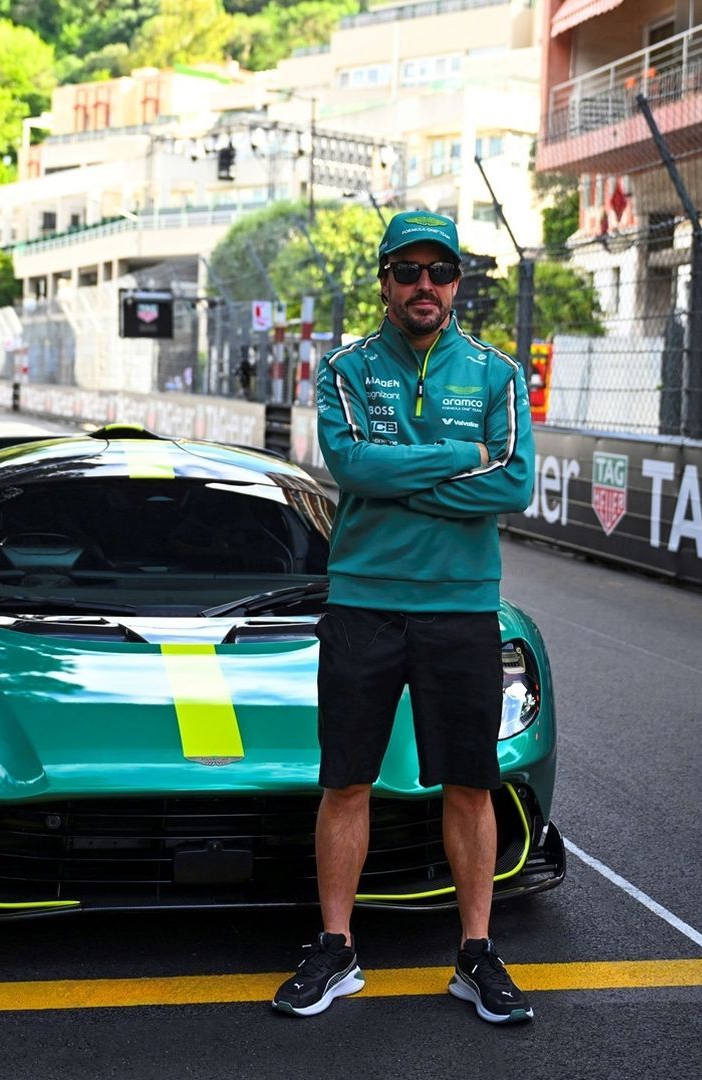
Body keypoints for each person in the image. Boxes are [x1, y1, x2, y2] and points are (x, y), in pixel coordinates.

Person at [273, 211, 536, 1024]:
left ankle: (476, 953)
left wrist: (397, 481)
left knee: (470, 784)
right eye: (409, 271)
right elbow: (347, 463)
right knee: (346, 780)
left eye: (441, 272)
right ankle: (337, 948)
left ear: (458, 282)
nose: (426, 286)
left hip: (460, 609)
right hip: (363, 603)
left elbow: (514, 483)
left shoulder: (497, 374)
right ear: (384, 281)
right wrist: (457, 458)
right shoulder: (346, 367)